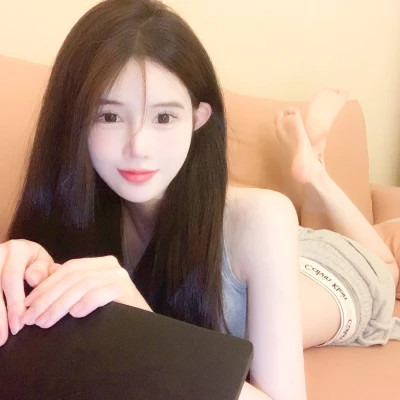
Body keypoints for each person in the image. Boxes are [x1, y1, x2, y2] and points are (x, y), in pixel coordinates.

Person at [0, 1, 399, 399]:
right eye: (109, 116)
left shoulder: (264, 214)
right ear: (73, 120)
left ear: (198, 118)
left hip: (339, 268)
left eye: (164, 117)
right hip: (273, 249)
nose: (138, 147)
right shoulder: (86, 211)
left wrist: (145, 330)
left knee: (385, 265)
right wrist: (30, 271)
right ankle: (312, 169)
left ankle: (316, 175)